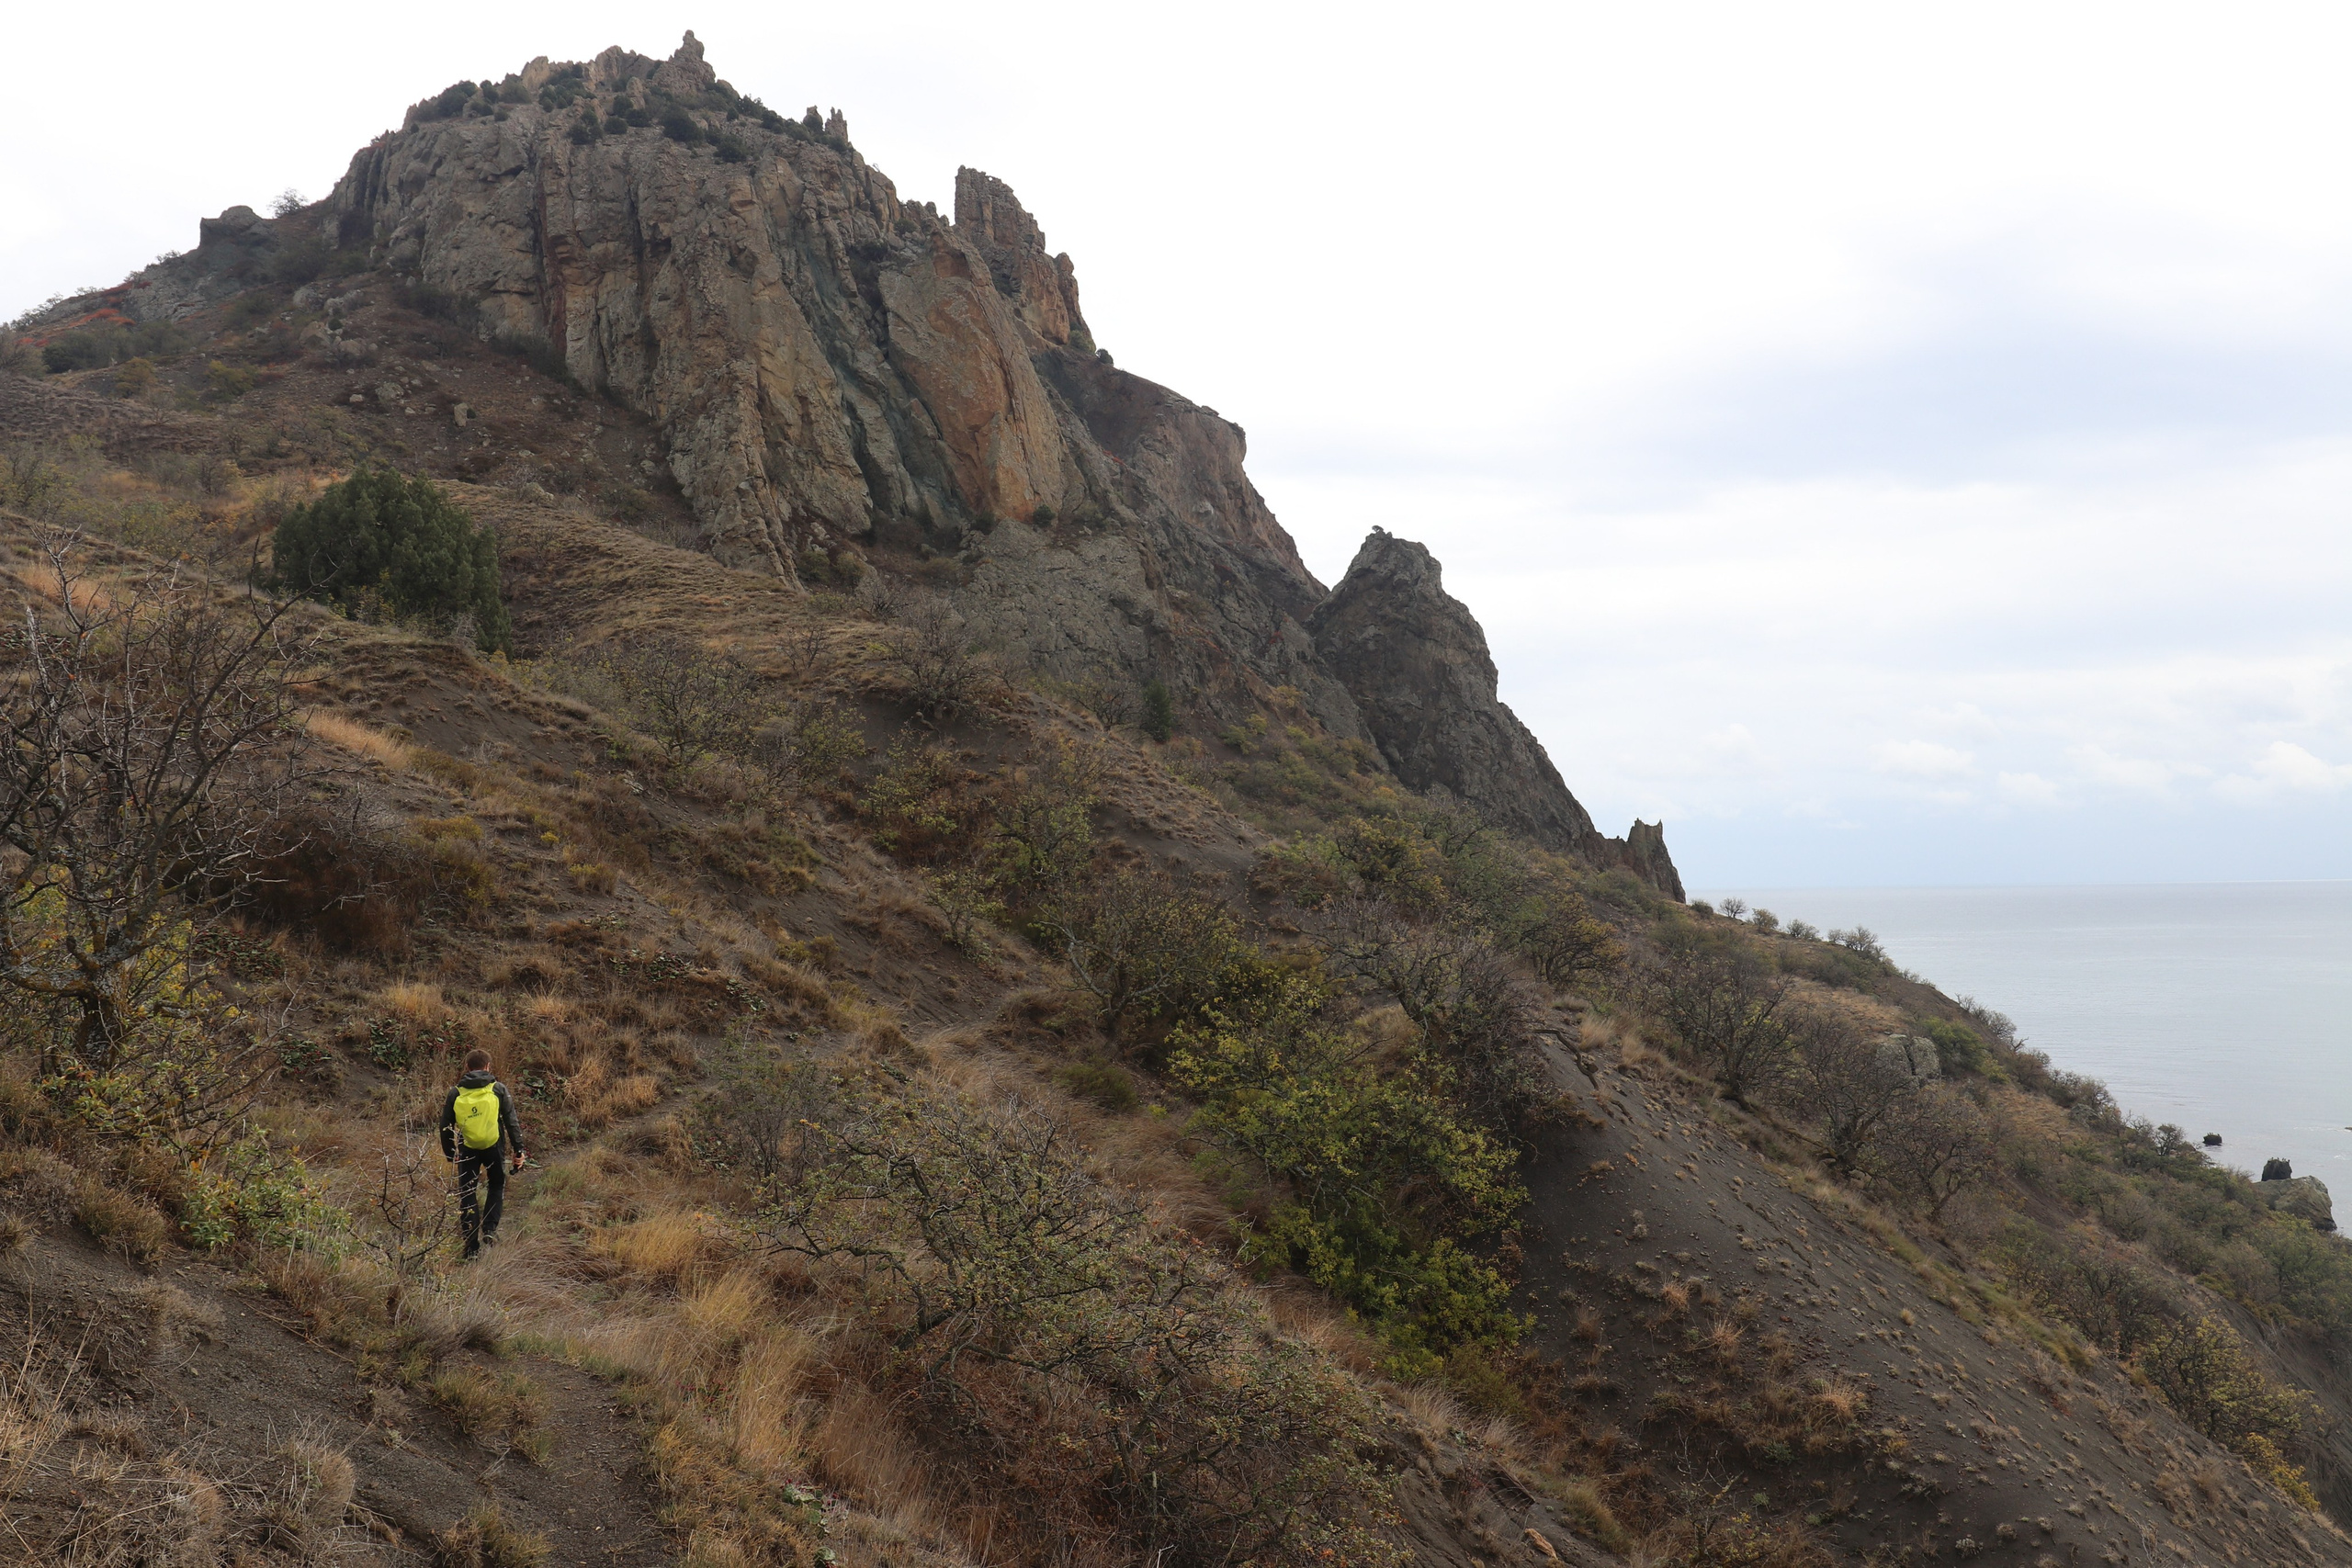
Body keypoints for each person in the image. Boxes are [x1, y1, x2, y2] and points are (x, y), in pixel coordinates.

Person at [439, 1048, 527, 1259]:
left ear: (467, 1068)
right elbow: (511, 1122)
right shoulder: (498, 1089)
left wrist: (451, 1153)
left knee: (467, 1192)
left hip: (467, 1148)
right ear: (488, 1067)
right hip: (493, 1147)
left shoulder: (456, 1093)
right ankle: (489, 1230)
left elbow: (445, 1125)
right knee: (496, 1184)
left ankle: (471, 1248)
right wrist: (519, 1150)